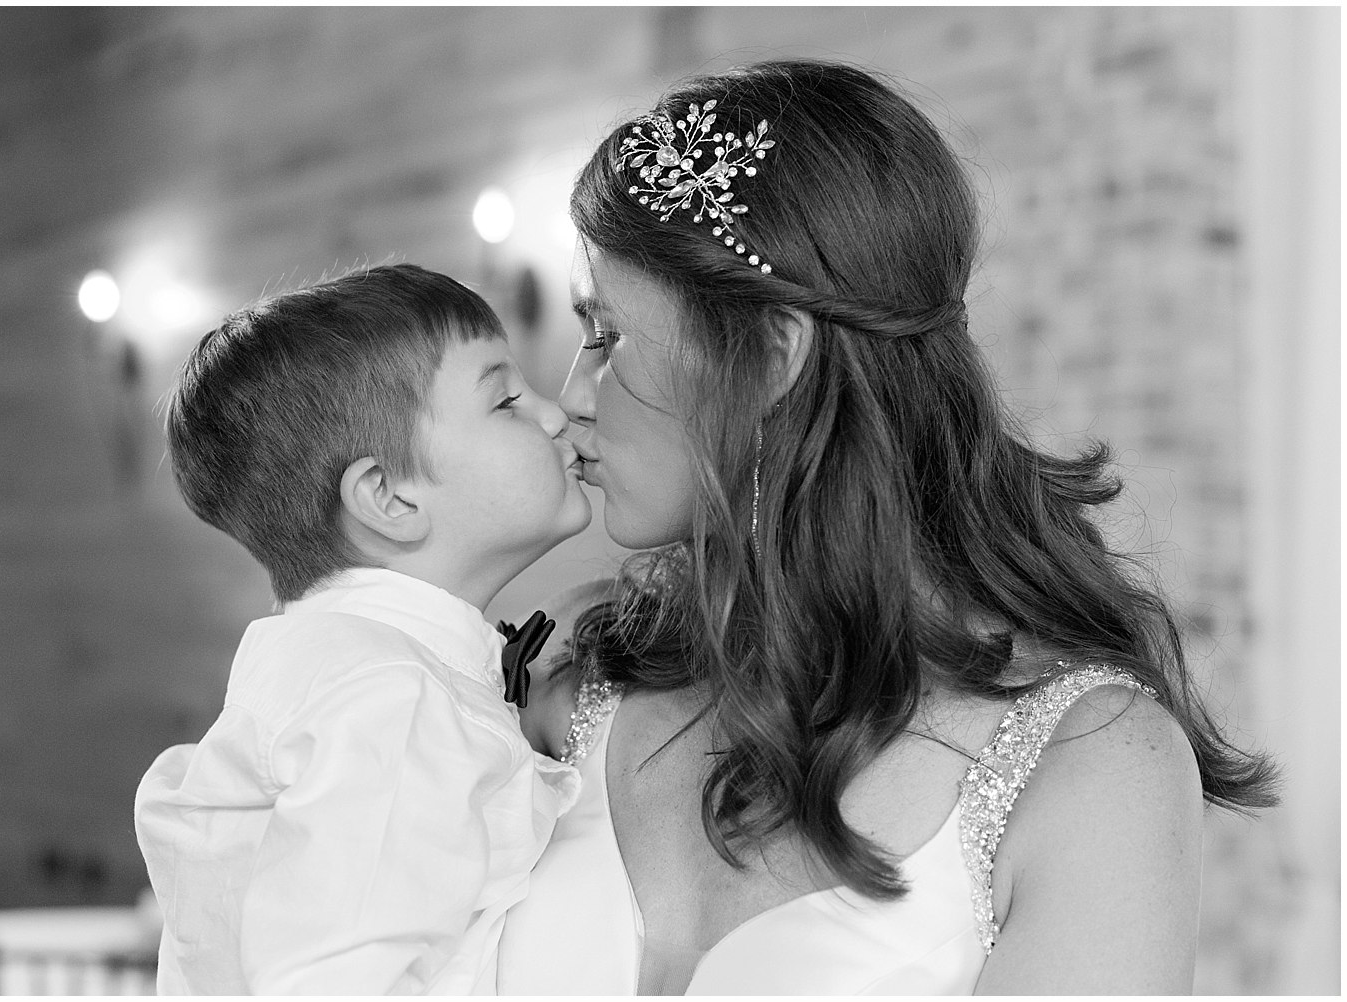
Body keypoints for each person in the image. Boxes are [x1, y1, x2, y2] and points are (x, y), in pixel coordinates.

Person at [497, 59, 1276, 995]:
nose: (572, 395)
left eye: (611, 337)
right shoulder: (575, 672)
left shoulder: (1091, 768)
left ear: (774, 356)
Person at [133, 263, 591, 993]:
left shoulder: (342, 669)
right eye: (506, 398)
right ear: (388, 497)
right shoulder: (390, 697)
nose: (556, 414)